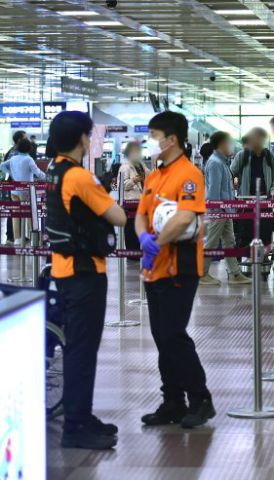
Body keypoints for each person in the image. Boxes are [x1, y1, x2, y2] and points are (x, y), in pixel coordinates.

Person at [45, 111, 127, 449]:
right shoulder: (79, 177)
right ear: (82, 139)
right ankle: (76, 426)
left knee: (78, 348)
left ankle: (82, 413)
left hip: (64, 270)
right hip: (85, 273)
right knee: (81, 351)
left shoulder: (54, 170)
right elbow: (119, 216)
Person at [134, 111, 215, 429]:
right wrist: (143, 237)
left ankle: (200, 399)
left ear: (171, 139)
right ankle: (172, 402)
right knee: (161, 337)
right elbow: (141, 212)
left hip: (179, 268)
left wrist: (157, 243)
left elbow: (185, 218)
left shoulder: (189, 174)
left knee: (173, 335)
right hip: (154, 270)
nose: (150, 141)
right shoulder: (155, 174)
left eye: (153, 135)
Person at [201, 131, 252, 286]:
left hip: (226, 210)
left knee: (229, 241)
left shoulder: (222, 162)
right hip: (219, 211)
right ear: (221, 145)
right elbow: (213, 192)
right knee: (211, 242)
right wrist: (219, 210)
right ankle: (201, 274)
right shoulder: (216, 163)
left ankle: (235, 274)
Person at [230, 127, 274, 248]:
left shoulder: (269, 156)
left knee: (265, 232)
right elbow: (230, 173)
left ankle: (263, 261)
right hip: (246, 201)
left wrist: (273, 190)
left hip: (265, 201)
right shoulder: (242, 156)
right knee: (246, 233)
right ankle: (245, 261)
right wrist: (234, 181)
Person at [1, 138, 46, 246]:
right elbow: (37, 172)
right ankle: (33, 239)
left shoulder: (13, 159)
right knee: (31, 214)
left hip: (14, 191)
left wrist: (11, 173)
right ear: (29, 148)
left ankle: (17, 239)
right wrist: (46, 177)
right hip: (27, 191)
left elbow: (2, 165)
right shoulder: (29, 159)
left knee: (16, 215)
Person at [117, 142, 149, 250]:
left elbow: (150, 176)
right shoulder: (125, 167)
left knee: (139, 230)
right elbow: (122, 186)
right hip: (130, 205)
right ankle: (131, 253)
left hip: (141, 204)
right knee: (130, 230)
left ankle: (138, 252)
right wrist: (134, 180)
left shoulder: (141, 165)